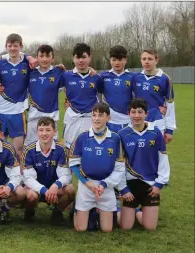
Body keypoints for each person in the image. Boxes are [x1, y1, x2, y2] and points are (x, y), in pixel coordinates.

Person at [69, 103, 125, 232]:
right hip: (87, 185)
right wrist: (87, 183)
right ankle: (76, 209)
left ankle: (96, 212)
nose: (96, 119)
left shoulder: (115, 138)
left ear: (108, 118)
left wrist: (104, 184)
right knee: (81, 229)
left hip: (106, 186)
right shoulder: (82, 136)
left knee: (106, 229)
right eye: (94, 115)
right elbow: (73, 163)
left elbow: (119, 168)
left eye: (101, 115)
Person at [117, 98, 170, 231]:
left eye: (140, 112)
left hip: (150, 185)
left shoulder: (156, 132)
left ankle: (138, 212)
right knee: (126, 227)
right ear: (128, 113)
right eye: (133, 112)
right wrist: (123, 189)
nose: (136, 116)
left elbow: (163, 158)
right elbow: (119, 165)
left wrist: (159, 183)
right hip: (131, 184)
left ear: (146, 114)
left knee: (150, 227)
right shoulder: (122, 134)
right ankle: (125, 211)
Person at [22, 117, 75, 224]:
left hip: (54, 190)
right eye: (41, 130)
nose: (44, 133)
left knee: (70, 190)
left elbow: (66, 175)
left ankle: (57, 212)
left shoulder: (62, 149)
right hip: (36, 189)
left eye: (48, 130)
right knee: (31, 196)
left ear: (54, 132)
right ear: (37, 132)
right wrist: (44, 191)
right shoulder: (28, 150)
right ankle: (29, 212)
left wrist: (55, 186)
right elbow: (28, 178)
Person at [0, 33, 31, 157]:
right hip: (0, 111)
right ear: (6, 46)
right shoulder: (0, 63)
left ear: (21, 46)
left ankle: (17, 176)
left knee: (18, 150)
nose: (13, 48)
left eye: (15, 46)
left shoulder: (28, 64)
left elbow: (44, 67)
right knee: (0, 150)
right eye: (10, 46)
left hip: (18, 112)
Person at [61, 43, 104, 149]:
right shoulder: (65, 76)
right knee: (69, 150)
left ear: (89, 58)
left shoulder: (97, 78)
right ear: (73, 58)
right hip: (72, 118)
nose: (80, 60)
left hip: (92, 119)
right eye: (77, 57)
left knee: (92, 149)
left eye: (84, 57)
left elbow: (101, 98)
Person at [131, 48, 176, 143]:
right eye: (144, 59)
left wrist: (170, 130)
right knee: (140, 153)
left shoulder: (165, 79)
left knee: (158, 154)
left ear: (156, 60)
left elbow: (170, 105)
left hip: (157, 122)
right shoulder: (135, 78)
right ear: (141, 60)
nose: (146, 62)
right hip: (138, 121)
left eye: (150, 59)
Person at [25, 45, 64, 145]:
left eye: (47, 56)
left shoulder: (59, 72)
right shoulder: (30, 72)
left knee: (52, 150)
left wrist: (90, 69)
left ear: (52, 58)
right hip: (34, 118)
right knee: (31, 149)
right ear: (37, 58)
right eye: (41, 56)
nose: (44, 59)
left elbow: (76, 75)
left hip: (51, 118)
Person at [98, 46, 135, 133]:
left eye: (120, 60)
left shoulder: (133, 77)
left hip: (127, 121)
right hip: (108, 121)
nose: (117, 63)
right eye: (114, 60)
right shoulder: (102, 76)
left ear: (126, 60)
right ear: (110, 60)